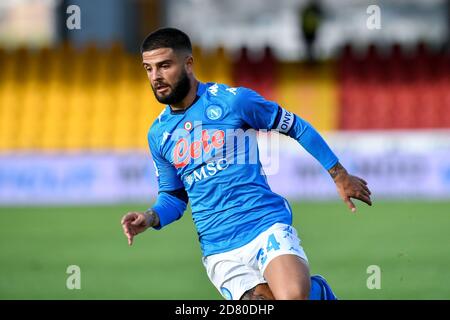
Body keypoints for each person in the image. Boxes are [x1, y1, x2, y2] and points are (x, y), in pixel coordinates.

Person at [121, 27, 372, 300]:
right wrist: (150, 217)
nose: (155, 77)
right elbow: (174, 197)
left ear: (188, 64)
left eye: (164, 66)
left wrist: (338, 174)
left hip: (263, 224)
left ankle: (315, 291)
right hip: (218, 248)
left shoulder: (233, 101)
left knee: (292, 297)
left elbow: (295, 126)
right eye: (148, 68)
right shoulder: (158, 134)